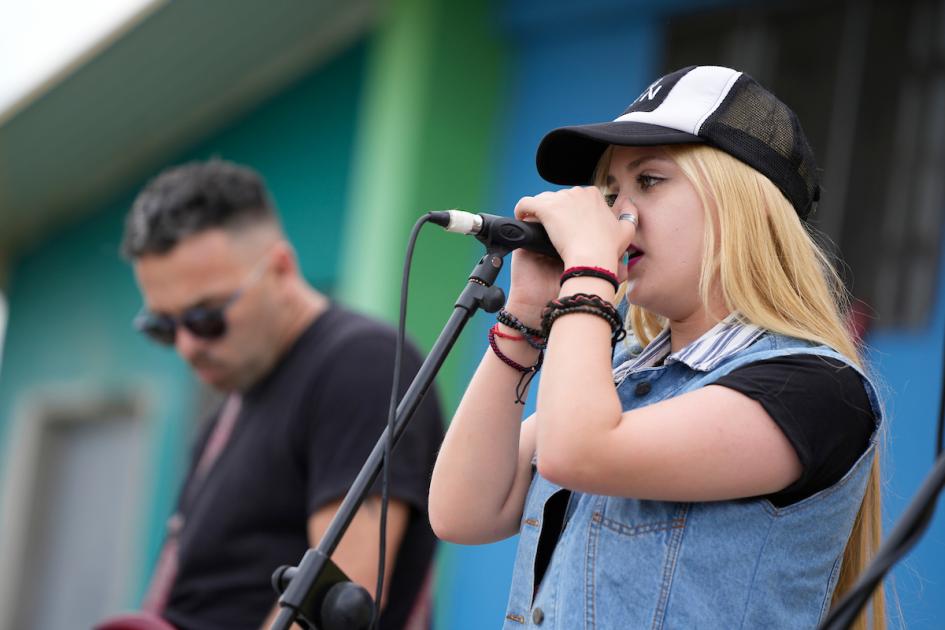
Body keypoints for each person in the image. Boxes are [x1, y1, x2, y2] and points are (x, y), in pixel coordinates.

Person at [428, 65, 886, 629]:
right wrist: (525, 320)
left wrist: (590, 270)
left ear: (740, 203)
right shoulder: (617, 380)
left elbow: (580, 452)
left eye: (649, 181)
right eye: (611, 191)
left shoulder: (815, 387)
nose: (618, 213)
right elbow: (464, 510)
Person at [109, 159, 444, 630]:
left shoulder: (360, 365)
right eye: (163, 326)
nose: (187, 346)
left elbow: (336, 604)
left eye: (206, 317)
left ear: (281, 269)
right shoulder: (233, 404)